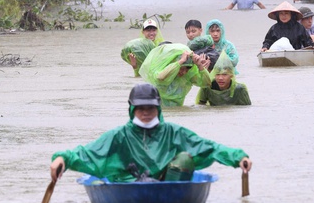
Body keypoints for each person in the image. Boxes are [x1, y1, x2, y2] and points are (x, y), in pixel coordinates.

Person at [49, 83, 252, 183]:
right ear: (132, 109)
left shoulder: (172, 131)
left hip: (165, 184)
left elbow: (208, 147)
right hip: (129, 184)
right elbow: (88, 152)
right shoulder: (120, 135)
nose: (146, 112)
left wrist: (238, 157)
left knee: (184, 159)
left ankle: (170, 200)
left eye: (150, 108)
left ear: (158, 108)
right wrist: (62, 159)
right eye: (140, 108)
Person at [138, 42, 212, 106]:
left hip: (178, 109)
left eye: (187, 69)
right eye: (181, 68)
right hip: (159, 110)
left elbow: (207, 83)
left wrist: (200, 66)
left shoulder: (187, 76)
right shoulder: (160, 71)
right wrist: (180, 62)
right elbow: (160, 78)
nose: (184, 72)